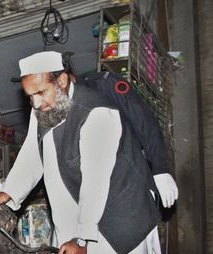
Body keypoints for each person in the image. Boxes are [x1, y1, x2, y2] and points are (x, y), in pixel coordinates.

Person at [0, 51, 162, 254]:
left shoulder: (97, 113)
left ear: (61, 80)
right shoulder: (47, 109)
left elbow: (96, 182)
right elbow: (32, 154)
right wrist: (7, 193)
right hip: (80, 227)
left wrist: (82, 238)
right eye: (29, 97)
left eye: (40, 92)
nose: (36, 103)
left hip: (120, 229)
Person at [61, 54, 178, 208]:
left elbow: (143, 120)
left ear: (64, 79)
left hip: (139, 167)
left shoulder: (104, 84)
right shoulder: (64, 113)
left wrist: (160, 169)